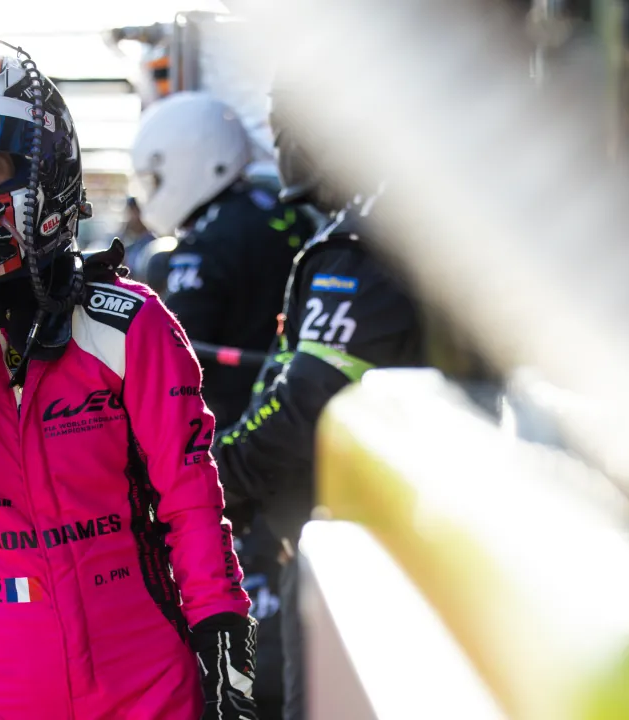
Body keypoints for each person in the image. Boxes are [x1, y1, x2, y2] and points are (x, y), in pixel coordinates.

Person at [0, 41, 258, 720]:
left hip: (146, 677)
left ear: (42, 175)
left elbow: (191, 499)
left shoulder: (126, 323)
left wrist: (223, 632)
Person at [211, 72, 430, 720]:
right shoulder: (402, 220)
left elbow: (308, 401)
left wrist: (213, 472)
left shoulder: (361, 244)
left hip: (357, 548)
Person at [130, 91, 318, 432]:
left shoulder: (208, 240)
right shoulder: (281, 209)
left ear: (187, 161)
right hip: (291, 406)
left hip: (233, 426)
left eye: (155, 180)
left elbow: (174, 352)